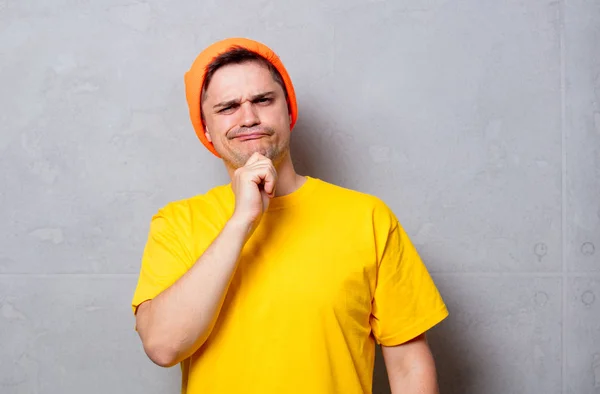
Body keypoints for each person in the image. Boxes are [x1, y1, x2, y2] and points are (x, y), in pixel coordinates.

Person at [131, 37, 449, 394]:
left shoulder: (368, 218)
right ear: (205, 128)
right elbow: (162, 345)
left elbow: (408, 364)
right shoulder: (176, 223)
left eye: (263, 100)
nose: (248, 117)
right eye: (227, 107)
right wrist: (241, 223)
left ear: (289, 110)